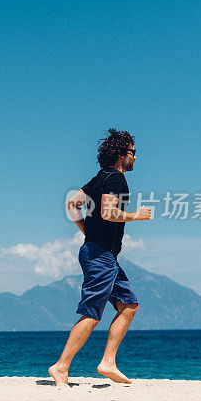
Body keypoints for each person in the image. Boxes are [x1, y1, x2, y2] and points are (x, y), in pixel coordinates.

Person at [48, 129, 151, 387]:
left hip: (102, 254)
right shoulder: (115, 178)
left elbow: (72, 203)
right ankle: (61, 367)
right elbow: (108, 212)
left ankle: (108, 362)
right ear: (120, 154)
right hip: (99, 256)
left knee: (128, 305)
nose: (136, 157)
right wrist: (137, 215)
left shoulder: (99, 178)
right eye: (133, 152)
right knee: (92, 313)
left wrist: (87, 231)